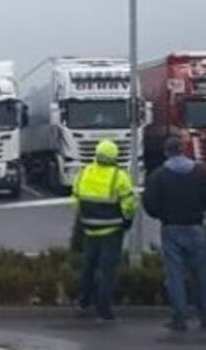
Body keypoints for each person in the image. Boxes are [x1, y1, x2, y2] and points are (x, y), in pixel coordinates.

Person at [143, 135, 206, 332]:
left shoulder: (158, 175)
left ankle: (179, 318)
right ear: (183, 150)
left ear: (166, 152)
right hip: (196, 227)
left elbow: (149, 204)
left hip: (171, 228)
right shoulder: (200, 172)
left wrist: (162, 214)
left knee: (175, 275)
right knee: (201, 274)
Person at [73, 139, 137, 321]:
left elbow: (75, 200)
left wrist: (84, 218)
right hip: (112, 230)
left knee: (88, 268)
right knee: (107, 271)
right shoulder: (119, 176)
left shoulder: (84, 173)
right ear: (114, 156)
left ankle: (83, 303)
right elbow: (129, 203)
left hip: (89, 229)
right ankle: (104, 310)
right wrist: (127, 219)